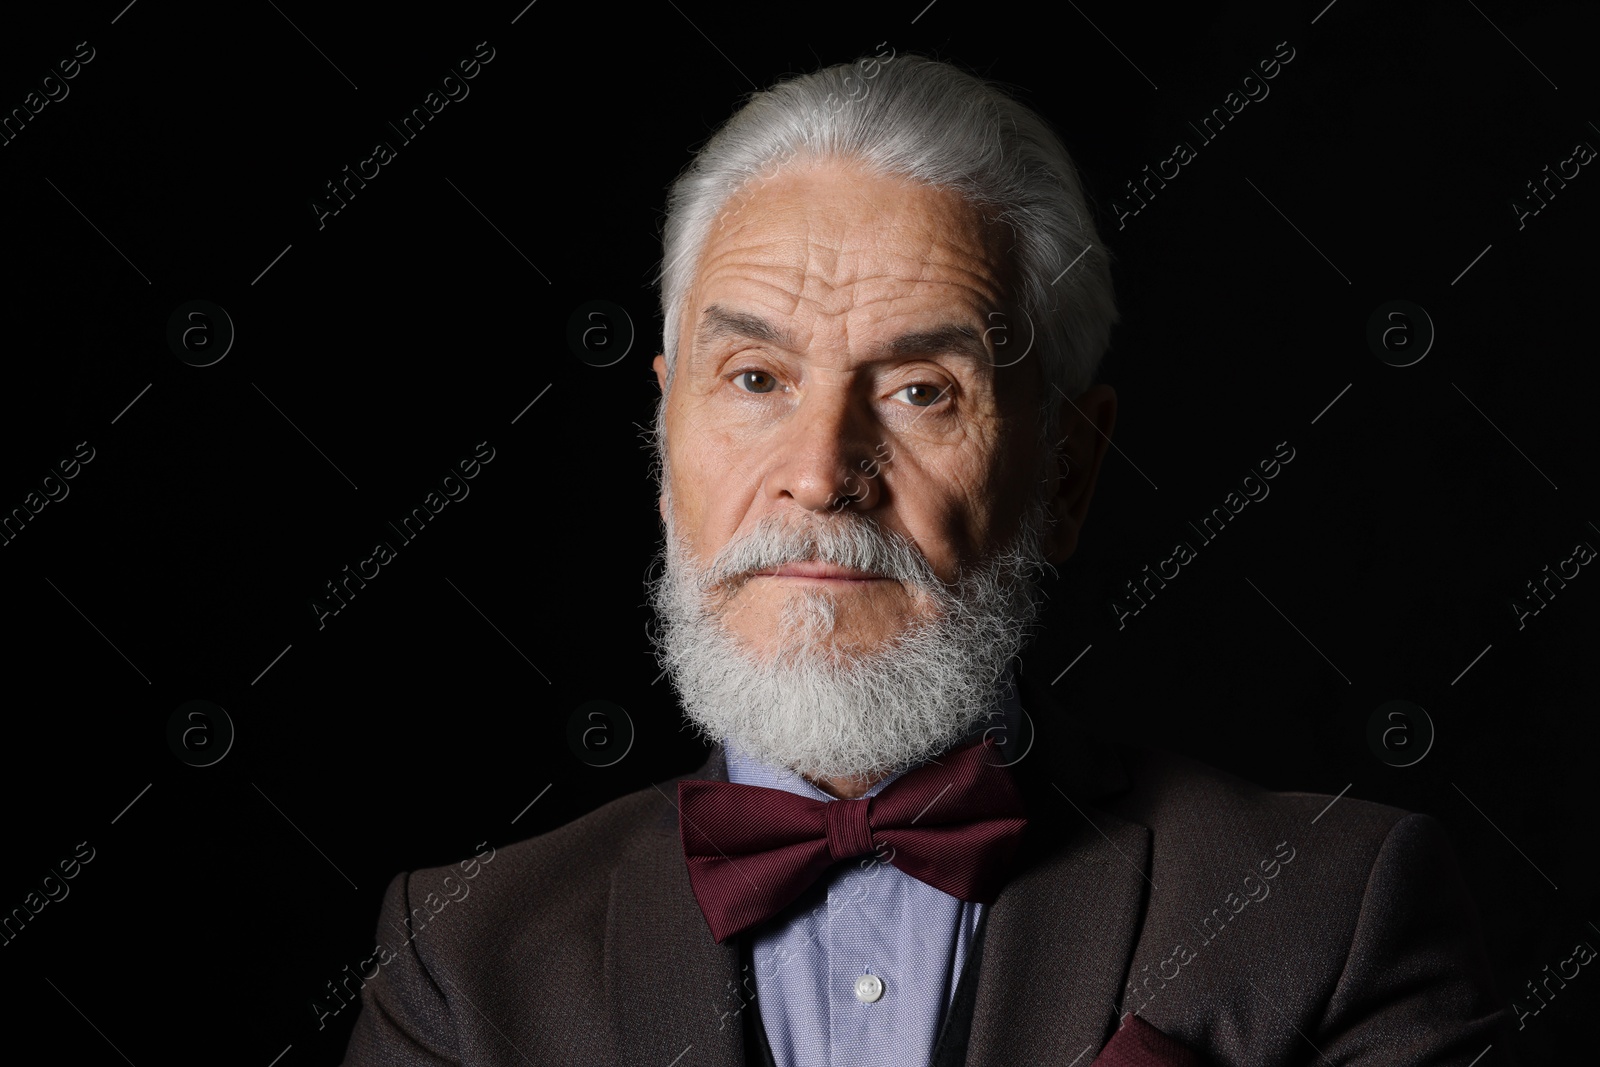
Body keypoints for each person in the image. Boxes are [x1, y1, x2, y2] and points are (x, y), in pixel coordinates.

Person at [339, 52, 1514, 1066]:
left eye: (918, 390)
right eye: (755, 379)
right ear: (664, 441)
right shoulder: (460, 959)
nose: (820, 469)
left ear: (1065, 471)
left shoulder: (1328, 912)